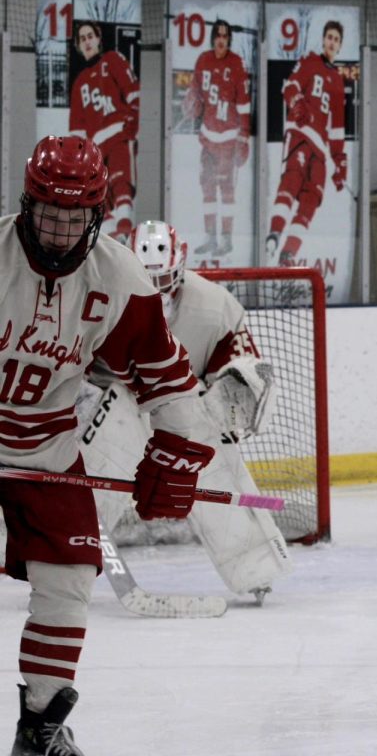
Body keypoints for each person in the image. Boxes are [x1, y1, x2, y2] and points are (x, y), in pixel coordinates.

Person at [2, 136, 217, 754]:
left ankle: (40, 726)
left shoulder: (120, 279)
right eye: (49, 214)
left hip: (47, 449)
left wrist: (175, 455)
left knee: (69, 580)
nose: (61, 232)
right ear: (27, 204)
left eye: (76, 218)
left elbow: (166, 379)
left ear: (97, 215)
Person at [77, 220, 292, 601]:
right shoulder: (104, 298)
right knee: (89, 478)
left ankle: (254, 567)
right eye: (147, 279)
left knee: (214, 464)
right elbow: (73, 361)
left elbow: (243, 368)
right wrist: (83, 398)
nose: (156, 289)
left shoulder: (215, 307)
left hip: (186, 412)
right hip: (121, 407)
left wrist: (234, 391)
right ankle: (62, 559)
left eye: (164, 278)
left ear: (181, 266)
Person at [267, 20, 347, 266]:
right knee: (292, 181)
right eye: (329, 37)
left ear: (340, 46)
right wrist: (297, 104)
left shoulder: (338, 80)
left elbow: (337, 126)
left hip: (320, 149)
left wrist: (339, 161)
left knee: (311, 200)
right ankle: (274, 234)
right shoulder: (309, 62)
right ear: (323, 40)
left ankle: (288, 252)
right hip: (300, 134)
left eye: (336, 39)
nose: (332, 42)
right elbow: (290, 86)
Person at [181, 19, 252, 258]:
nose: (221, 39)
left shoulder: (236, 63)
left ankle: (227, 238)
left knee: (227, 190)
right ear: (213, 37)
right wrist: (191, 103)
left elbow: (243, 104)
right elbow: (195, 93)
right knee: (207, 189)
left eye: (225, 35)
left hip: (229, 139)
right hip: (208, 138)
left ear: (229, 39)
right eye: (218, 35)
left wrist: (244, 138)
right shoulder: (203, 60)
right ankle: (210, 237)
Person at [68, 20, 140, 243]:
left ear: (98, 39)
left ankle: (126, 233)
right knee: (102, 198)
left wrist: (132, 119)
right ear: (79, 46)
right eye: (82, 39)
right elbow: (77, 129)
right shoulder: (79, 82)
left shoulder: (113, 60)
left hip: (118, 133)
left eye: (90, 36)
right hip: (96, 148)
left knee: (121, 182)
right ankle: (111, 243)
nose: (87, 41)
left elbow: (133, 93)